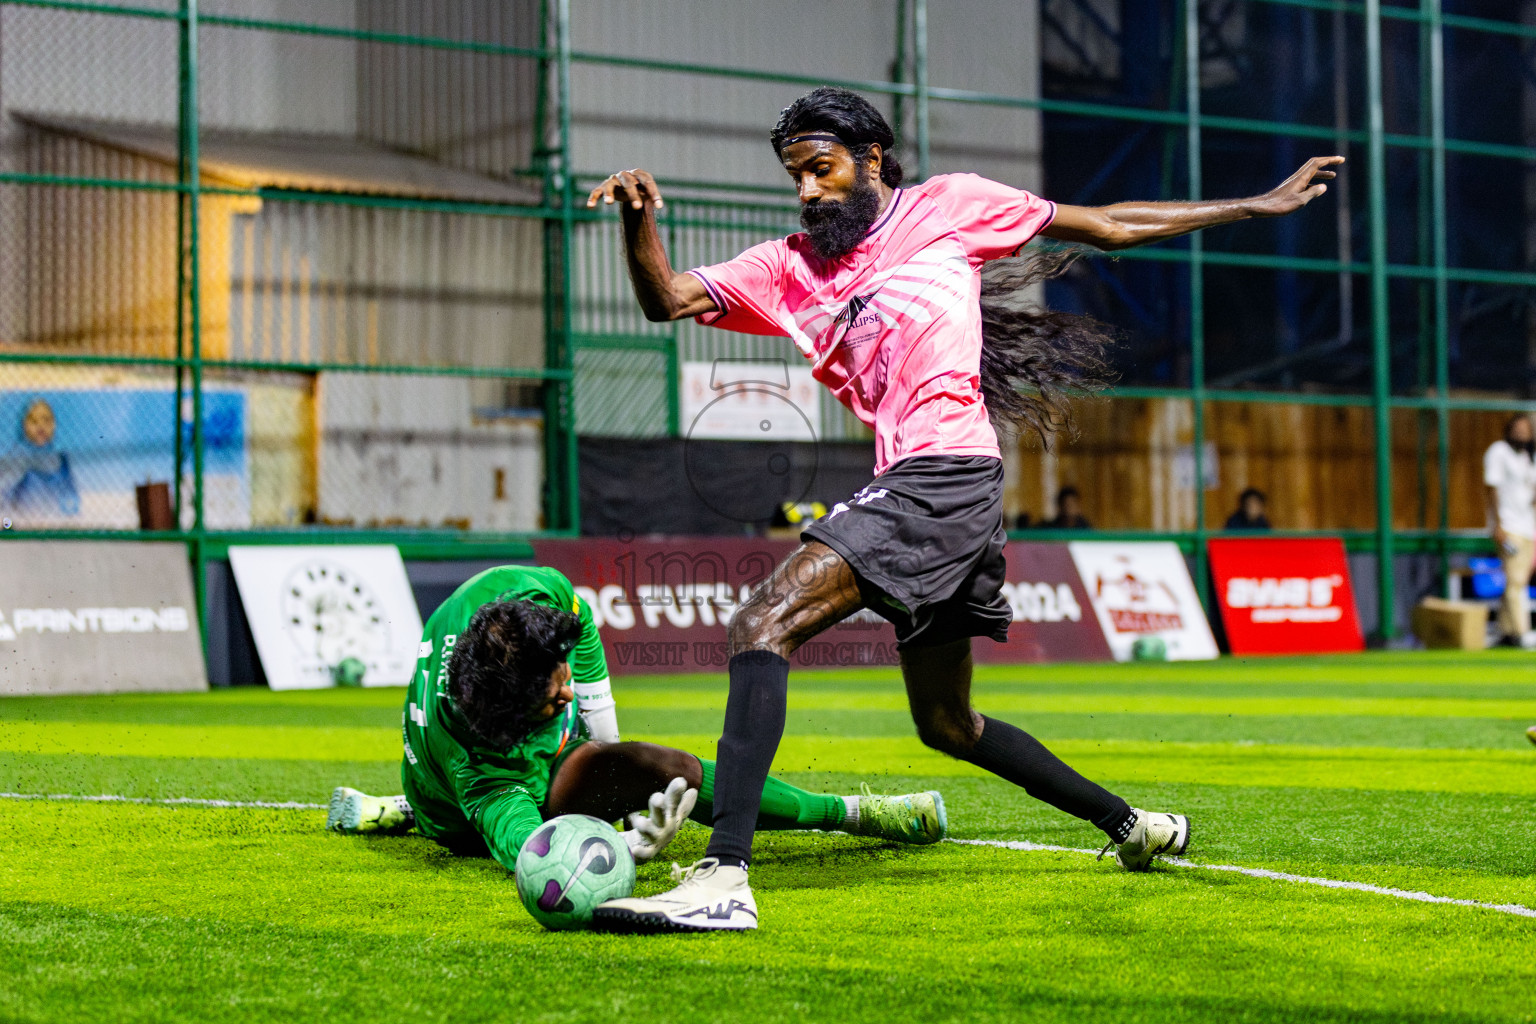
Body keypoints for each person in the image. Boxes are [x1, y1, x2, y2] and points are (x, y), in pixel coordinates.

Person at [586, 87, 1340, 932]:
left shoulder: (950, 207)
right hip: (936, 487)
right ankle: (1133, 827)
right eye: (796, 176)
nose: (806, 190)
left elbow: (1109, 224)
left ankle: (723, 878)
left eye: (821, 169)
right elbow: (667, 300)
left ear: (872, 159)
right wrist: (637, 222)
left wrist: (1255, 203)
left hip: (943, 475)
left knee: (762, 623)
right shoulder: (788, 268)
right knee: (947, 724)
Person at [327, 564, 947, 885]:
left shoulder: (521, 592)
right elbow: (530, 853)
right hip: (462, 814)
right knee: (650, 774)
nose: (568, 690)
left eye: (562, 677)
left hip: (462, 766)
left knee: (641, 766)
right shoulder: (485, 766)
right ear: (515, 726)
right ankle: (419, 813)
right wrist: (614, 847)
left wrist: (605, 743)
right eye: (554, 701)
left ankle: (853, 812)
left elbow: (581, 625)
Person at [1483, 414, 1536, 648]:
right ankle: (1522, 631)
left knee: (1518, 580)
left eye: (1527, 430)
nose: (1522, 434)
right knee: (1516, 581)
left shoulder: (1527, 458)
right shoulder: (1499, 451)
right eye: (1518, 429)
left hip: (1527, 528)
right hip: (1509, 527)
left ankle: (1505, 632)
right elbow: (1491, 487)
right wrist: (1498, 524)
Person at [0, 398, 80, 517]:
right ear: (24, 425)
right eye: (34, 421)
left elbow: (71, 496)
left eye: (47, 420)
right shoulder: (16, 456)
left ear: (54, 425)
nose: (41, 426)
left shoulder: (62, 458)